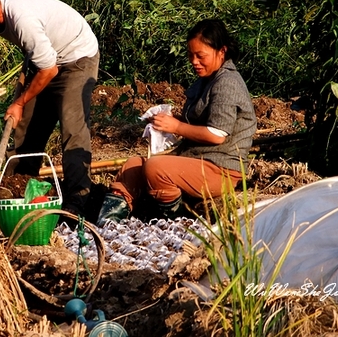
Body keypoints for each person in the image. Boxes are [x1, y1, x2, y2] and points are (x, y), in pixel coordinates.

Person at [0, 0, 99, 217]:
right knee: (25, 127)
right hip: (46, 58)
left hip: (77, 57)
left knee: (73, 129)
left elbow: (49, 70)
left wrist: (19, 102)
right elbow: (44, 63)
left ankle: (78, 201)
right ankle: (17, 188)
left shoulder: (23, 19)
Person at [97, 19, 257, 224]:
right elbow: (200, 123)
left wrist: (177, 126)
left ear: (222, 51)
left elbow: (217, 134)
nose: (194, 61)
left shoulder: (227, 84)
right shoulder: (206, 80)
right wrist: (171, 122)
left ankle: (177, 222)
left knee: (156, 168)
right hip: (195, 161)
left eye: (201, 56)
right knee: (132, 165)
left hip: (220, 169)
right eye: (191, 55)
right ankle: (107, 226)